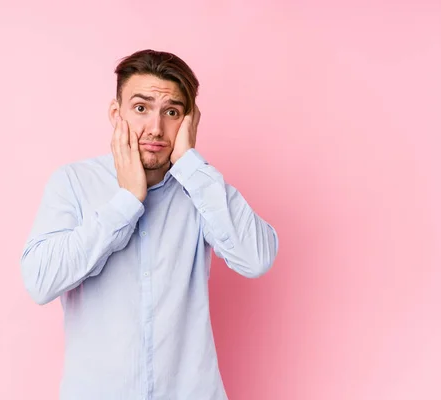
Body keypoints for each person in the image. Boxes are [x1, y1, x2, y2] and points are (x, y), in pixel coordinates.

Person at [20, 49, 279, 400]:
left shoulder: (201, 190)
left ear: (189, 121)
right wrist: (126, 202)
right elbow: (40, 281)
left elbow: (256, 258)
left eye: (171, 112)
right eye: (141, 108)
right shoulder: (73, 182)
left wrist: (190, 165)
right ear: (117, 113)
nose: (155, 128)